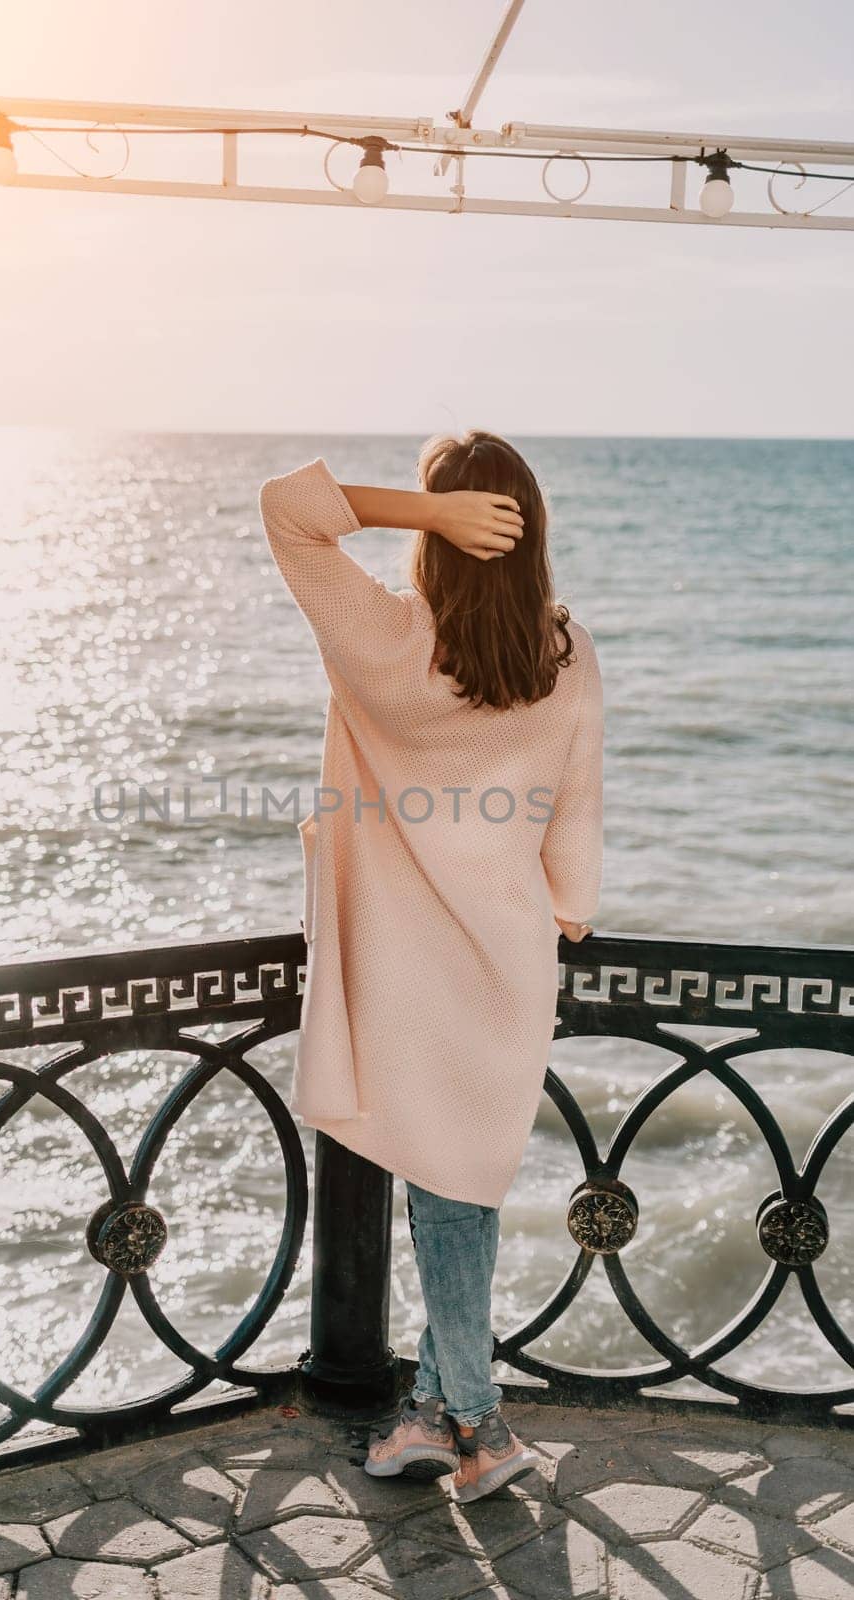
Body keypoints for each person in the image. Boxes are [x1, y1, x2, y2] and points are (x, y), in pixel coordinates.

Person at [258, 431, 603, 1504]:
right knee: (454, 1179)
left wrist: (422, 513)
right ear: (529, 531)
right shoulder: (561, 650)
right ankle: (441, 1409)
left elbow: (283, 508)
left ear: (447, 533)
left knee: (444, 1183)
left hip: (396, 958)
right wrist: (567, 909)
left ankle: (476, 1420)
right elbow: (575, 815)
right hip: (503, 949)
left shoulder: (385, 639)